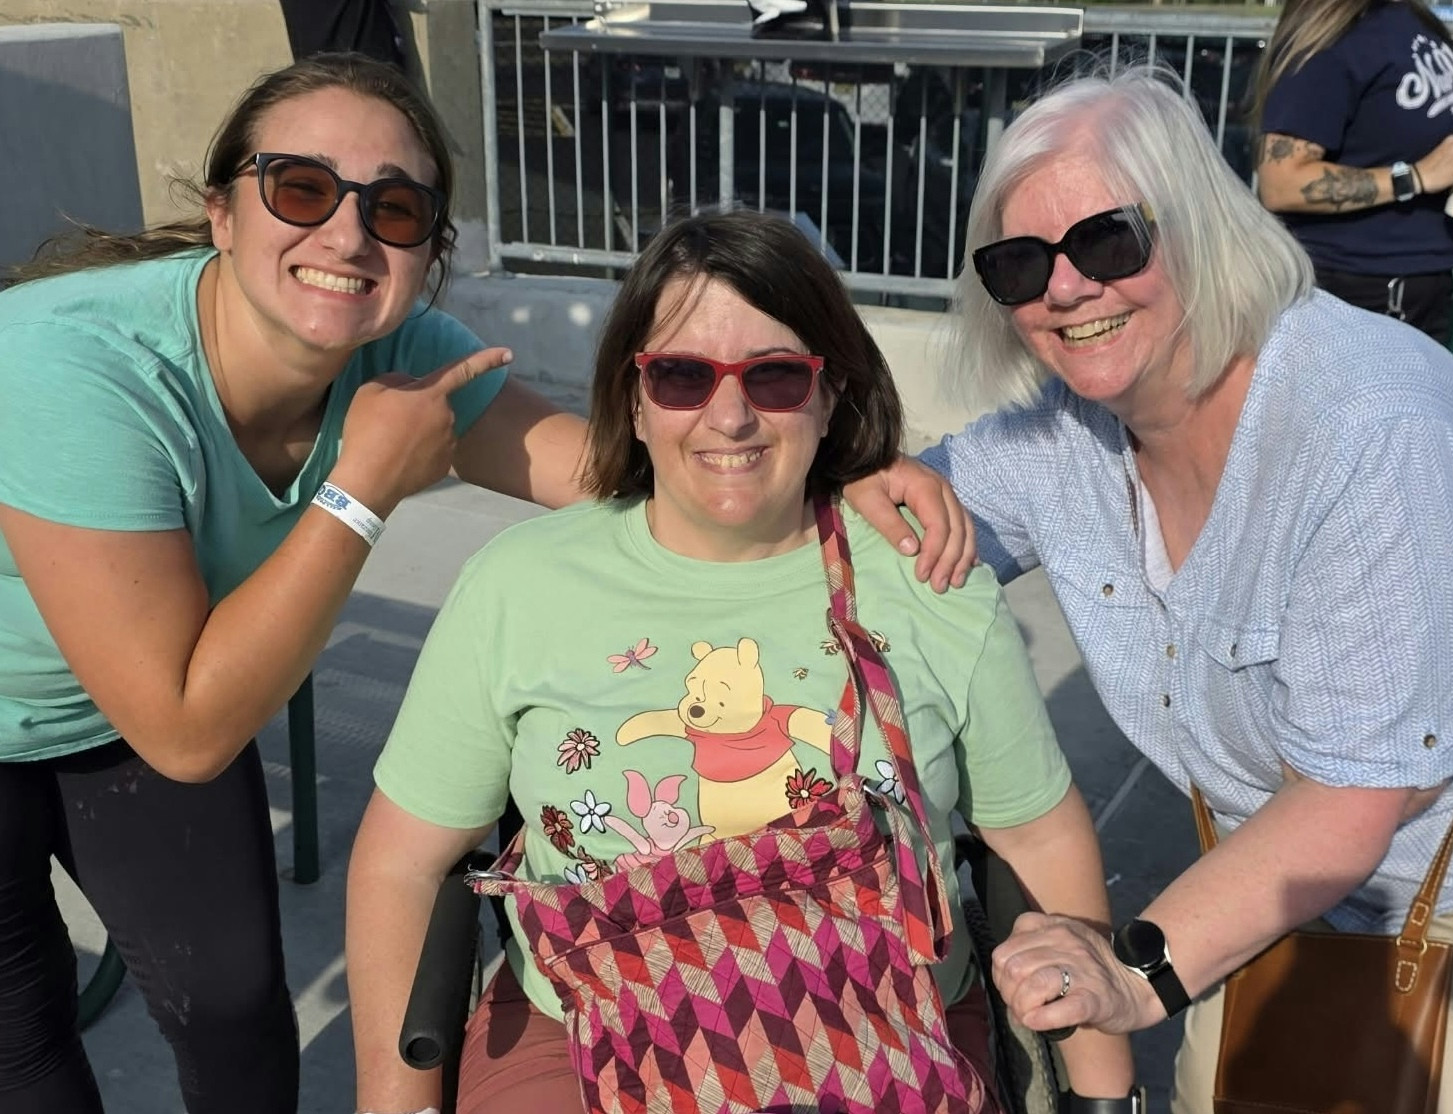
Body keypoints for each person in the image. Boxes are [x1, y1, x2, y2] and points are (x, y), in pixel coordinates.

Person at [0, 55, 969, 1114]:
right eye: (300, 188)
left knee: (231, 1002)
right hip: (121, 699)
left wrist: (826, 459)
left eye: (395, 206)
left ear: (428, 255)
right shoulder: (75, 371)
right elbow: (187, 728)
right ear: (222, 214)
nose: (346, 234)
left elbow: (612, 470)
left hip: (137, 700)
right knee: (23, 1035)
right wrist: (362, 486)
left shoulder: (400, 349)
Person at [345, 208, 1137, 1114]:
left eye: (774, 377)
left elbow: (1037, 834)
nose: (729, 415)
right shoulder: (519, 588)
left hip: (882, 1027)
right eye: (682, 376)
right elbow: (402, 862)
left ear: (830, 390)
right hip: (584, 1038)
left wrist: (1103, 1099)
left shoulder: (930, 579)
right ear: (633, 399)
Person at [919, 65, 1453, 1114]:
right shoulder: (1062, 439)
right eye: (1019, 263)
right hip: (1260, 896)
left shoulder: (1369, 430)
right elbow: (874, 527)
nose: (1065, 288)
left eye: (1108, 242)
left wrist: (1136, 972)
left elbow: (1356, 795)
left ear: (1196, 224)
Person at [1253, 0, 1453, 345]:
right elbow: (1282, 182)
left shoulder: (1414, 20)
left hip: (1426, 289)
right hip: (1354, 296)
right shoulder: (1335, 38)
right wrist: (1416, 176)